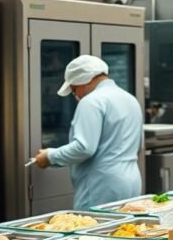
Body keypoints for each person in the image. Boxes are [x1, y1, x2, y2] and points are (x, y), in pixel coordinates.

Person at [35, 55, 142, 210]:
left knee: (93, 231)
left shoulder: (92, 101)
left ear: (82, 80)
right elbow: (138, 144)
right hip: (131, 181)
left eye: (74, 89)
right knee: (123, 231)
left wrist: (50, 156)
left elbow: (84, 148)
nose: (76, 96)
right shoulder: (130, 99)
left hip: (101, 185)